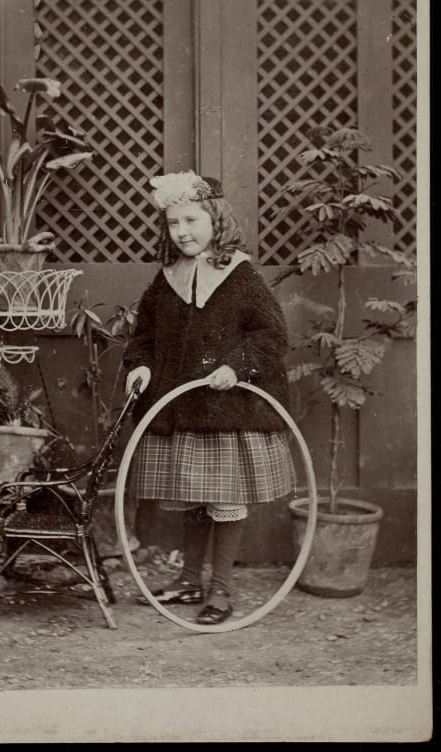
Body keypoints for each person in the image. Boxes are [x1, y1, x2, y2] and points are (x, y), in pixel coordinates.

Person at [123, 171, 296, 625]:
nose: (182, 231)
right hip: (181, 410)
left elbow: (271, 335)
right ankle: (189, 580)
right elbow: (143, 337)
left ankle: (220, 589)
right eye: (173, 223)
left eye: (191, 220)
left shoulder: (240, 276)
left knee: (223, 499)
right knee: (193, 496)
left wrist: (236, 366)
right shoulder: (166, 280)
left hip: (227, 412)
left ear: (215, 219)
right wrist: (140, 365)